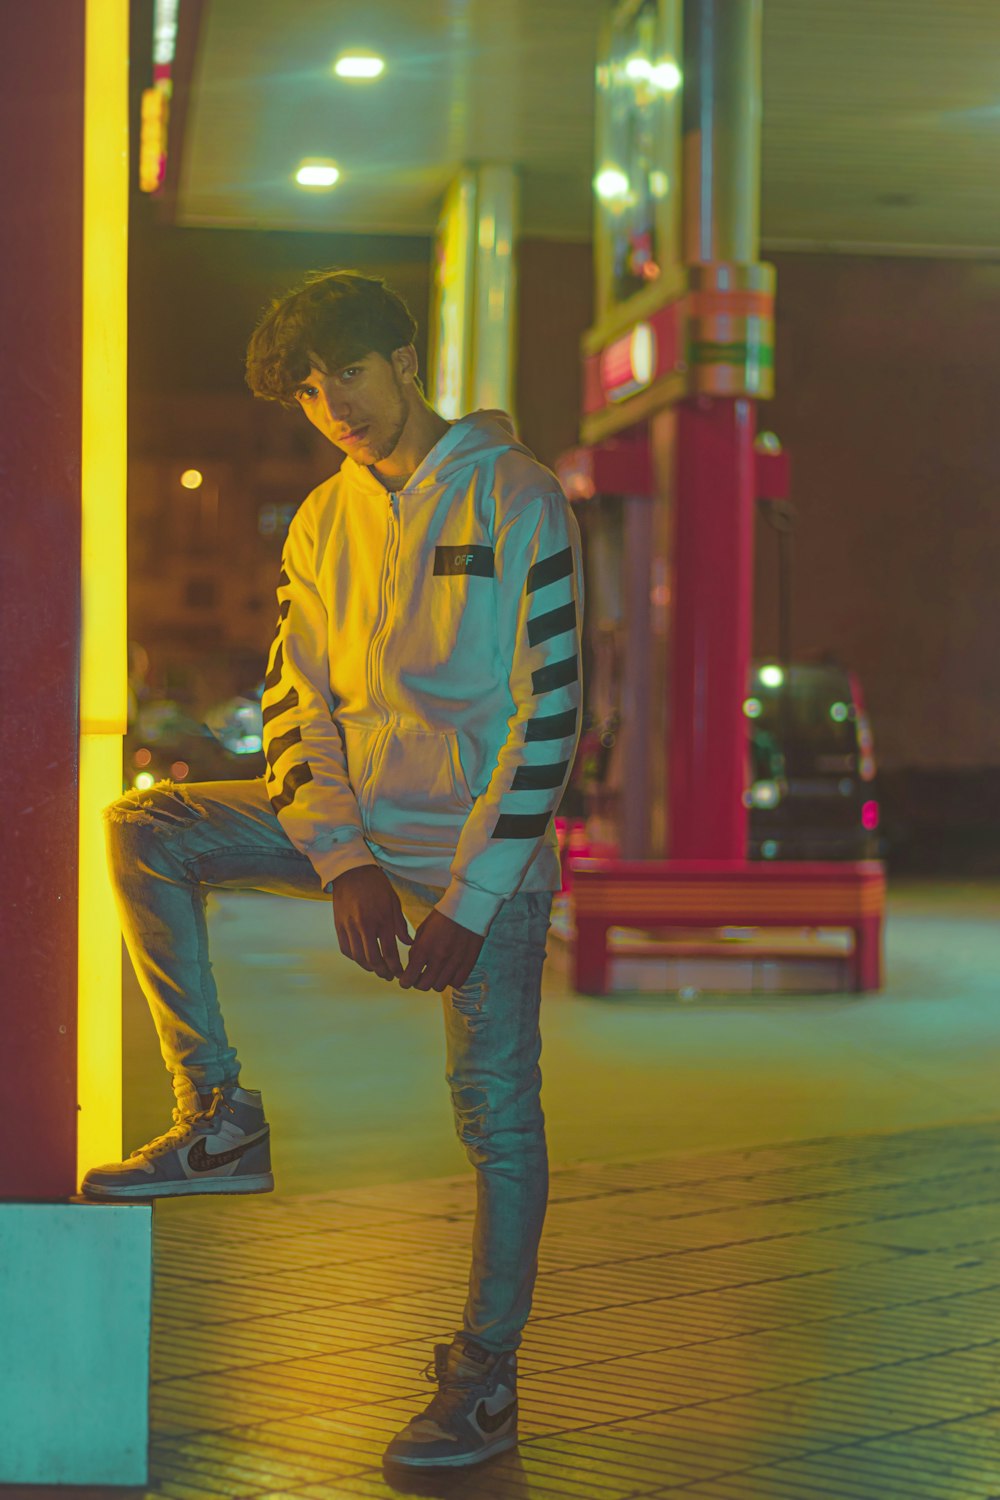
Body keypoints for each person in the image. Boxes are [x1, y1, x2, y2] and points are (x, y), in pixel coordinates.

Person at [82, 270, 584, 1472]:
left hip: (484, 853)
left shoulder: (516, 496)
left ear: (405, 361)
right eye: (307, 391)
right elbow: (294, 700)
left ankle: (483, 1383)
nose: (332, 407)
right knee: (147, 829)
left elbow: (550, 710)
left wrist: (469, 897)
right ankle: (219, 1117)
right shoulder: (322, 518)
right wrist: (344, 859)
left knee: (496, 1116)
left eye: (346, 374)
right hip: (359, 828)